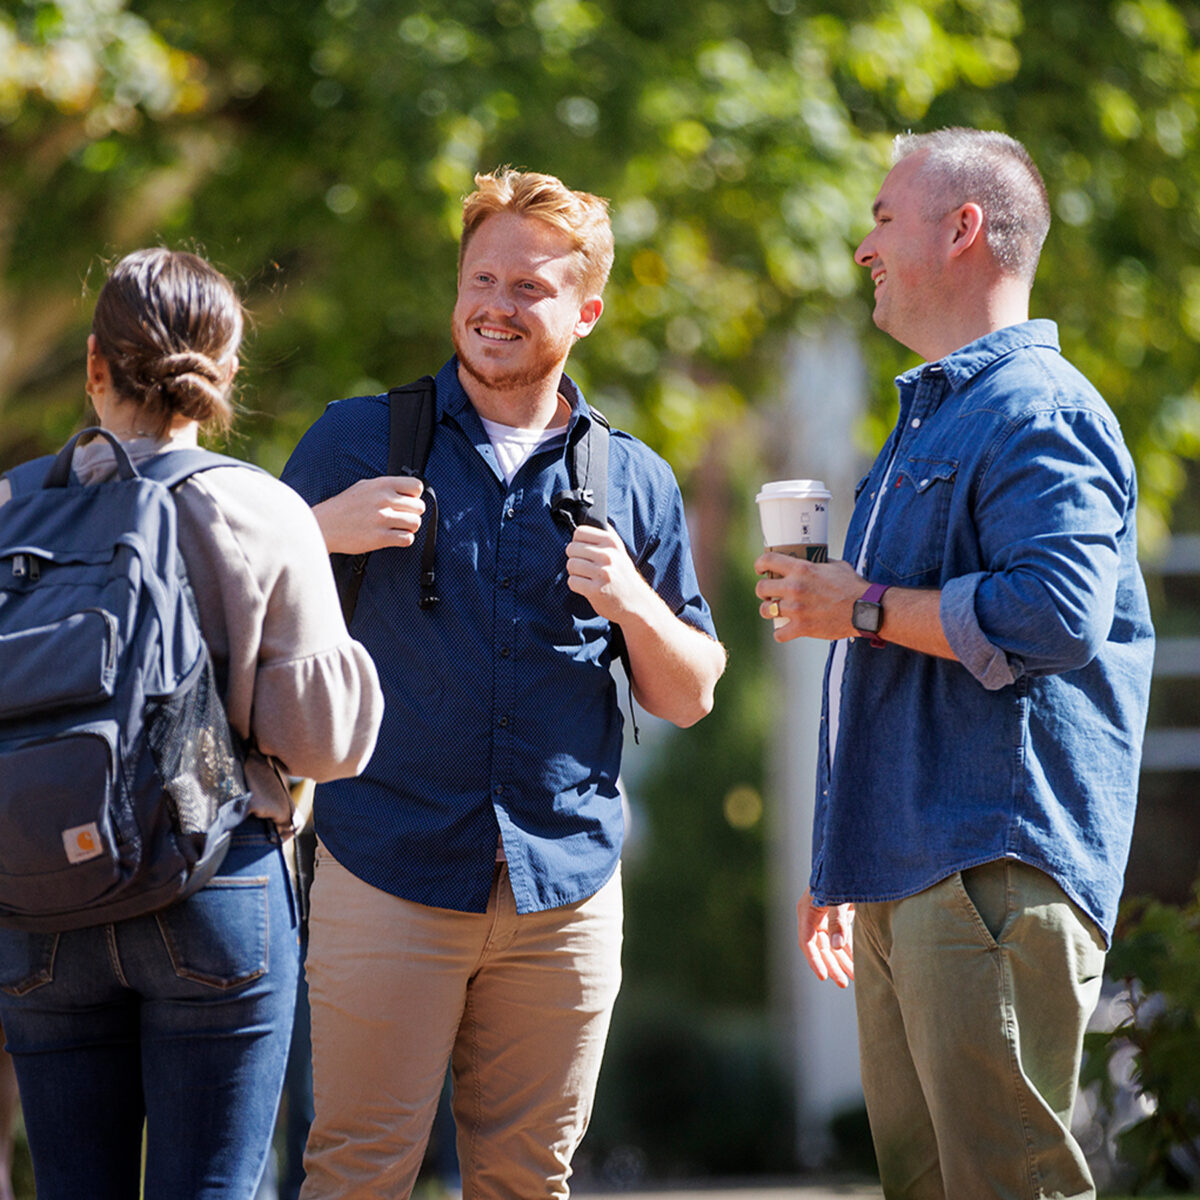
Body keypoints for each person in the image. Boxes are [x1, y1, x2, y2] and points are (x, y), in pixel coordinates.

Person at [282, 167, 726, 1199]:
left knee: (530, 1179)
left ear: (587, 309)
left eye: (529, 287)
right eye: (482, 278)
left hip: (562, 896)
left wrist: (634, 603)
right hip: (384, 867)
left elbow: (691, 691)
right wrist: (316, 532)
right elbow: (225, 603)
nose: (496, 305)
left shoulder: (633, 479)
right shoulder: (358, 440)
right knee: (356, 1172)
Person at [755, 128, 1154, 1199]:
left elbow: (1058, 615)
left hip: (988, 865)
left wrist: (867, 605)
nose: (861, 248)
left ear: (963, 227)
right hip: (908, 869)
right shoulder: (930, 421)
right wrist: (846, 861)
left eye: (883, 218)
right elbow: (889, 653)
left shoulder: (1042, 408)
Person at [0, 248, 384, 1199]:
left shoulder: (11, 509)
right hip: (212, 886)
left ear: (95, 365)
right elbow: (323, 744)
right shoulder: (259, 506)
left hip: (37, 897)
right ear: (224, 372)